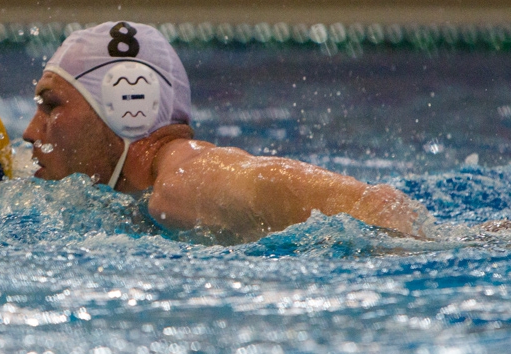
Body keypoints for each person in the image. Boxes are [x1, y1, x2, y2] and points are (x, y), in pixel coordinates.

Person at [22, 21, 431, 243]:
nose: (29, 131)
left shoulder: (186, 179)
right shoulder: (150, 195)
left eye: (51, 105)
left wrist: (458, 242)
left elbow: (375, 206)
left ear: (128, 104)